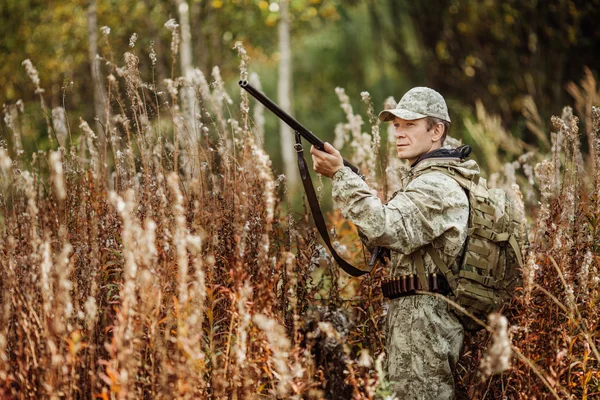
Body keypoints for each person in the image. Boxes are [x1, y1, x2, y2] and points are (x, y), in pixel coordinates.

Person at [310, 87, 479, 399]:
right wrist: (364, 196)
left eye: (410, 125)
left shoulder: (436, 186)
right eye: (396, 125)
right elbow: (389, 246)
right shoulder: (424, 181)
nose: (399, 133)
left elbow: (383, 227)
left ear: (437, 130)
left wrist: (342, 177)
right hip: (416, 318)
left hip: (425, 324)